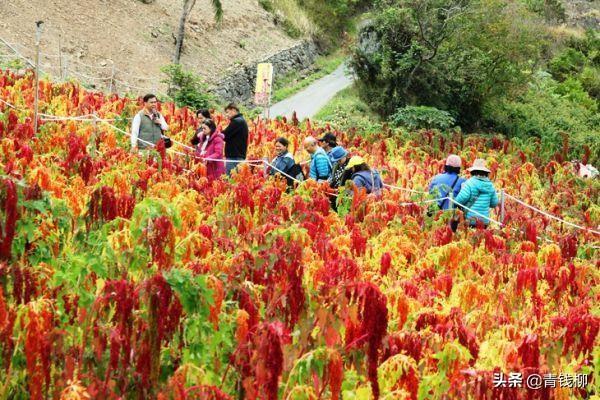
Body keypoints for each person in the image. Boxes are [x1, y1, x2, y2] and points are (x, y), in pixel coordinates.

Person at [454, 159, 499, 228]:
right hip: (484, 222)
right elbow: (494, 203)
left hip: (470, 220)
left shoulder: (469, 183)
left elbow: (459, 201)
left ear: (473, 171)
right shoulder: (490, 185)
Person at [222, 103, 249, 176]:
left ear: (233, 110)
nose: (226, 115)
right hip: (238, 156)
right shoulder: (241, 120)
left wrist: (214, 132)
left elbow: (224, 135)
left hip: (234, 157)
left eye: (227, 112)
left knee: (231, 180)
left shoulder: (237, 121)